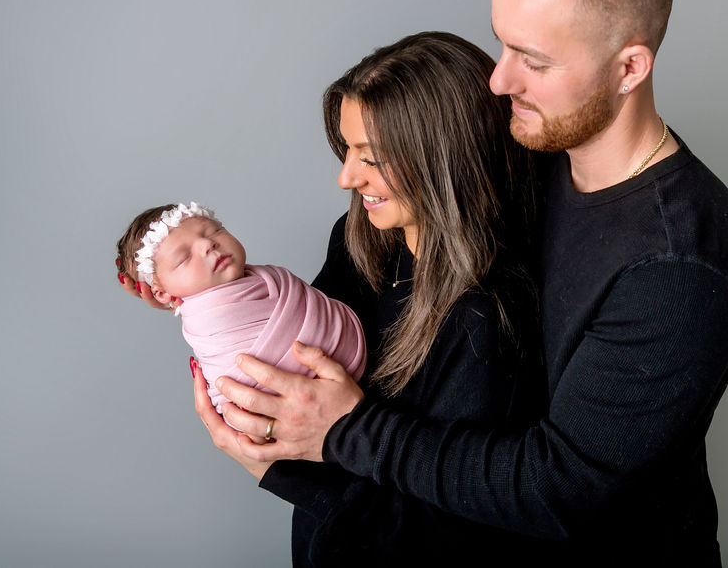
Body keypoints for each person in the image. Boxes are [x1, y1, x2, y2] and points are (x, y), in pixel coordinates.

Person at [200, 0, 728, 566]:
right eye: (501, 43)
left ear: (629, 68)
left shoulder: (678, 265)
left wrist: (344, 432)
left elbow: (556, 489)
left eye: (533, 59)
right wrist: (214, 292)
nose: (499, 79)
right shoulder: (528, 149)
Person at [120, 32, 545, 563]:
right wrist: (192, 297)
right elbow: (295, 356)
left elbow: (440, 535)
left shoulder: (484, 316)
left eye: (373, 157)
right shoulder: (361, 238)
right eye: (347, 150)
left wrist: (272, 469)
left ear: (444, 156)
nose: (346, 176)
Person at [116, 202, 365, 416]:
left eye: (214, 232)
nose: (207, 245)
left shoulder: (263, 279)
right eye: (184, 258)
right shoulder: (206, 324)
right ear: (161, 293)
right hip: (292, 411)